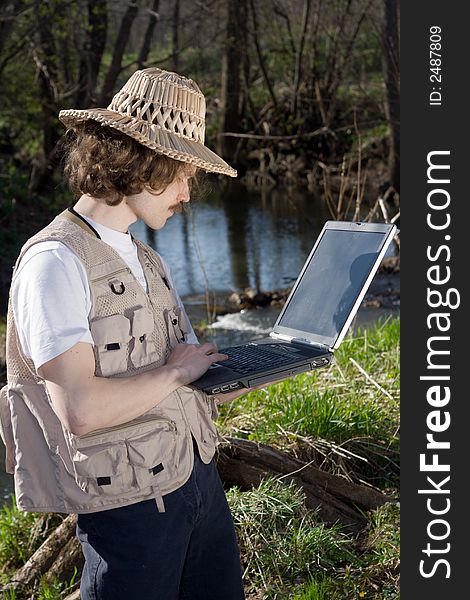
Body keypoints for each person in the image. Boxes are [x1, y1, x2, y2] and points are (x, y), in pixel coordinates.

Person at [0, 67, 252, 599]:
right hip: (129, 514)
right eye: (181, 173)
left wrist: (241, 369)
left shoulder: (146, 258)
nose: (188, 192)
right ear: (138, 161)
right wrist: (179, 370)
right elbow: (82, 411)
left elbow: (178, 371)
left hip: (199, 485)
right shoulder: (54, 263)